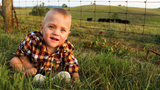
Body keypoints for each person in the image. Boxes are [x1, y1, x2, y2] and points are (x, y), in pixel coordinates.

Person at [9, 7, 80, 82]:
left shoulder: (65, 47)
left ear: (67, 35)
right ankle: (26, 74)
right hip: (33, 68)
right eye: (51, 27)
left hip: (53, 72)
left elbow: (72, 64)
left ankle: (52, 79)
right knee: (14, 60)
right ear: (42, 28)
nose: (56, 33)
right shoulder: (33, 39)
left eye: (62, 30)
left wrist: (76, 80)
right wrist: (28, 67)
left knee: (63, 71)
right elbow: (22, 54)